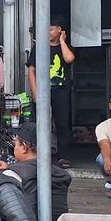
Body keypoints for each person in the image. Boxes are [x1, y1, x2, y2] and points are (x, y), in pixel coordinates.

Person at [3, 122, 70, 221]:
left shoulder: (13, 174)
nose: (14, 148)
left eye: (16, 144)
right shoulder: (59, 173)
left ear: (24, 147)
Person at [27, 18, 76, 169]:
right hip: (42, 91)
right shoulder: (39, 48)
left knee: (62, 123)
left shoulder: (65, 47)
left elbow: (69, 59)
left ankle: (63, 156)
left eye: (51, 29)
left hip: (61, 90)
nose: (48, 33)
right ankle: (38, 155)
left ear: (59, 30)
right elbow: (31, 70)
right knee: (40, 123)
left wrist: (62, 41)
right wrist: (34, 91)